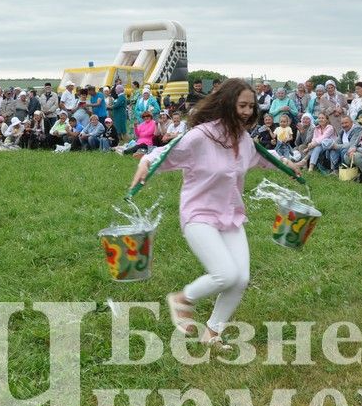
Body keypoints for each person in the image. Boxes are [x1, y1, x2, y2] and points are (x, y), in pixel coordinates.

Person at [129, 79, 301, 348]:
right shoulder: (201, 136)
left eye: (250, 106)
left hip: (231, 215)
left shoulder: (243, 140)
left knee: (240, 278)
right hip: (199, 214)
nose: (246, 111)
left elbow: (264, 157)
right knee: (224, 274)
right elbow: (163, 153)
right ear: (227, 103)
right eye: (241, 105)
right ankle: (182, 299)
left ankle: (212, 333)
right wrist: (145, 162)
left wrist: (287, 164)